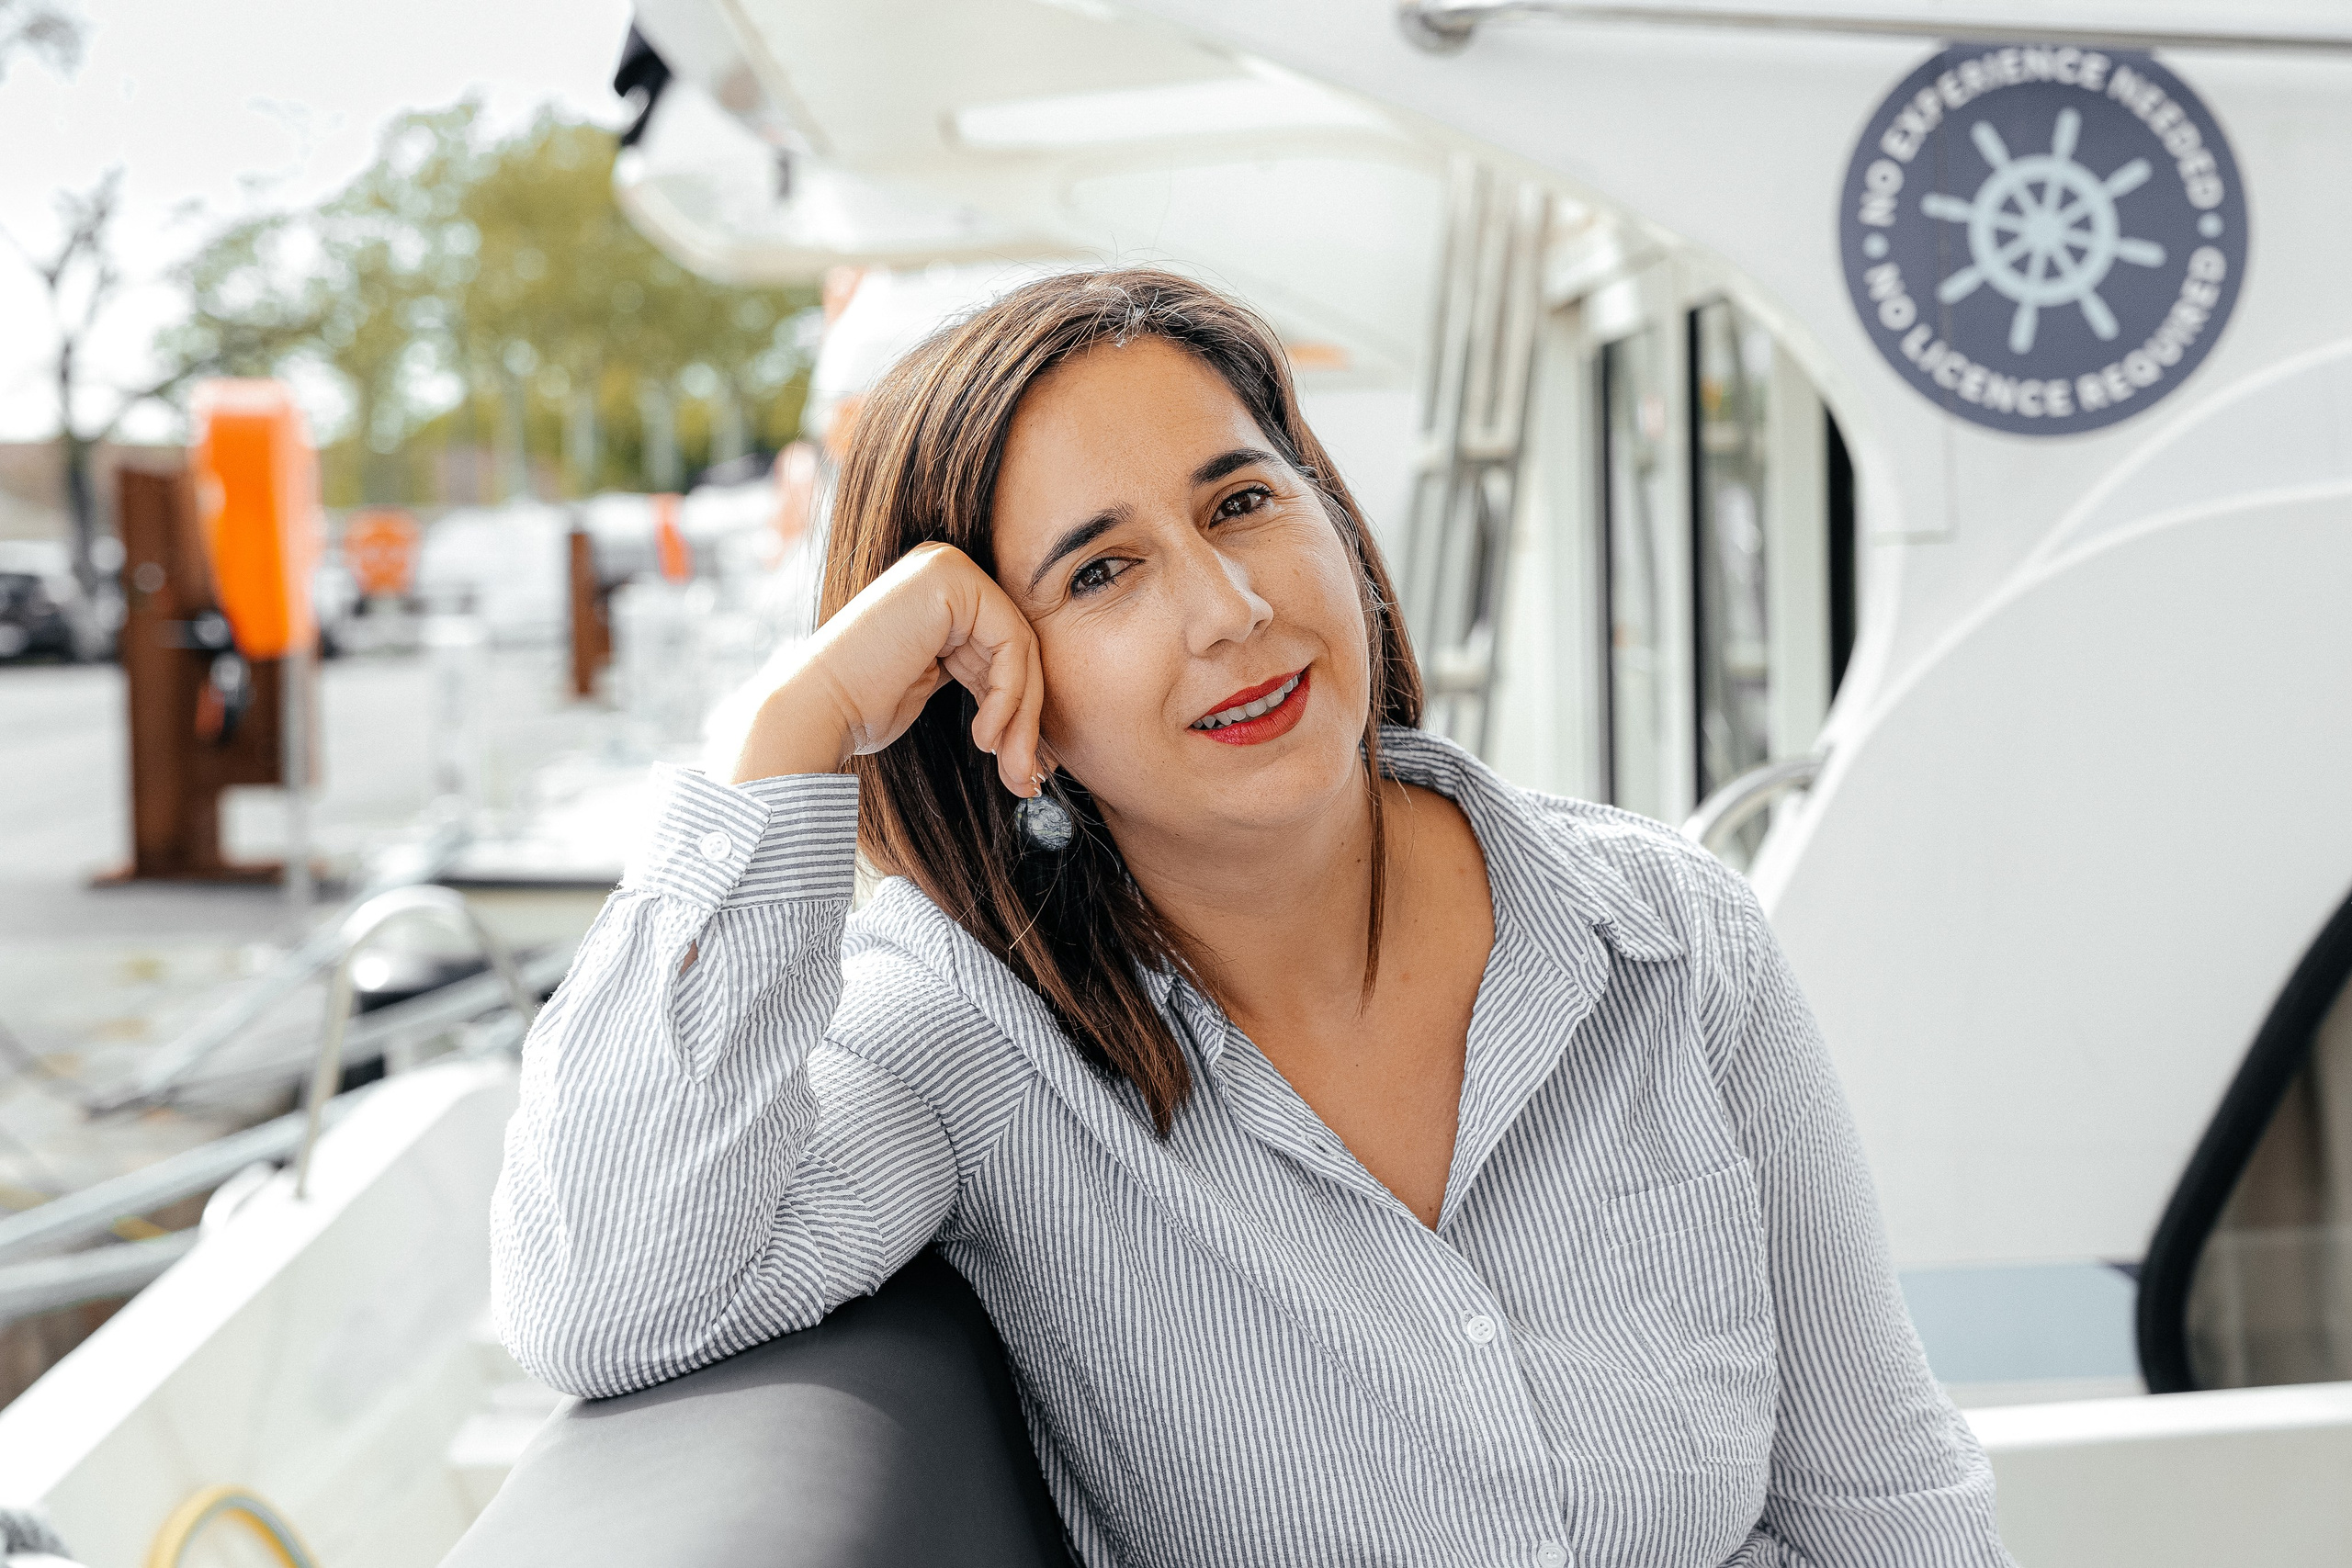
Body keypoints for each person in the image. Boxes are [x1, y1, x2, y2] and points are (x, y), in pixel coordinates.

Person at [492, 269, 2014, 1567]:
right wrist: (790, 731)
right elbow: (611, 1298)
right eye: (1102, 572)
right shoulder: (965, 1040)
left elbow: (1884, 1502)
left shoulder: (1669, 937)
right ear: (986, 687)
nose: (1227, 607)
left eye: (1241, 501)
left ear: (1333, 522)